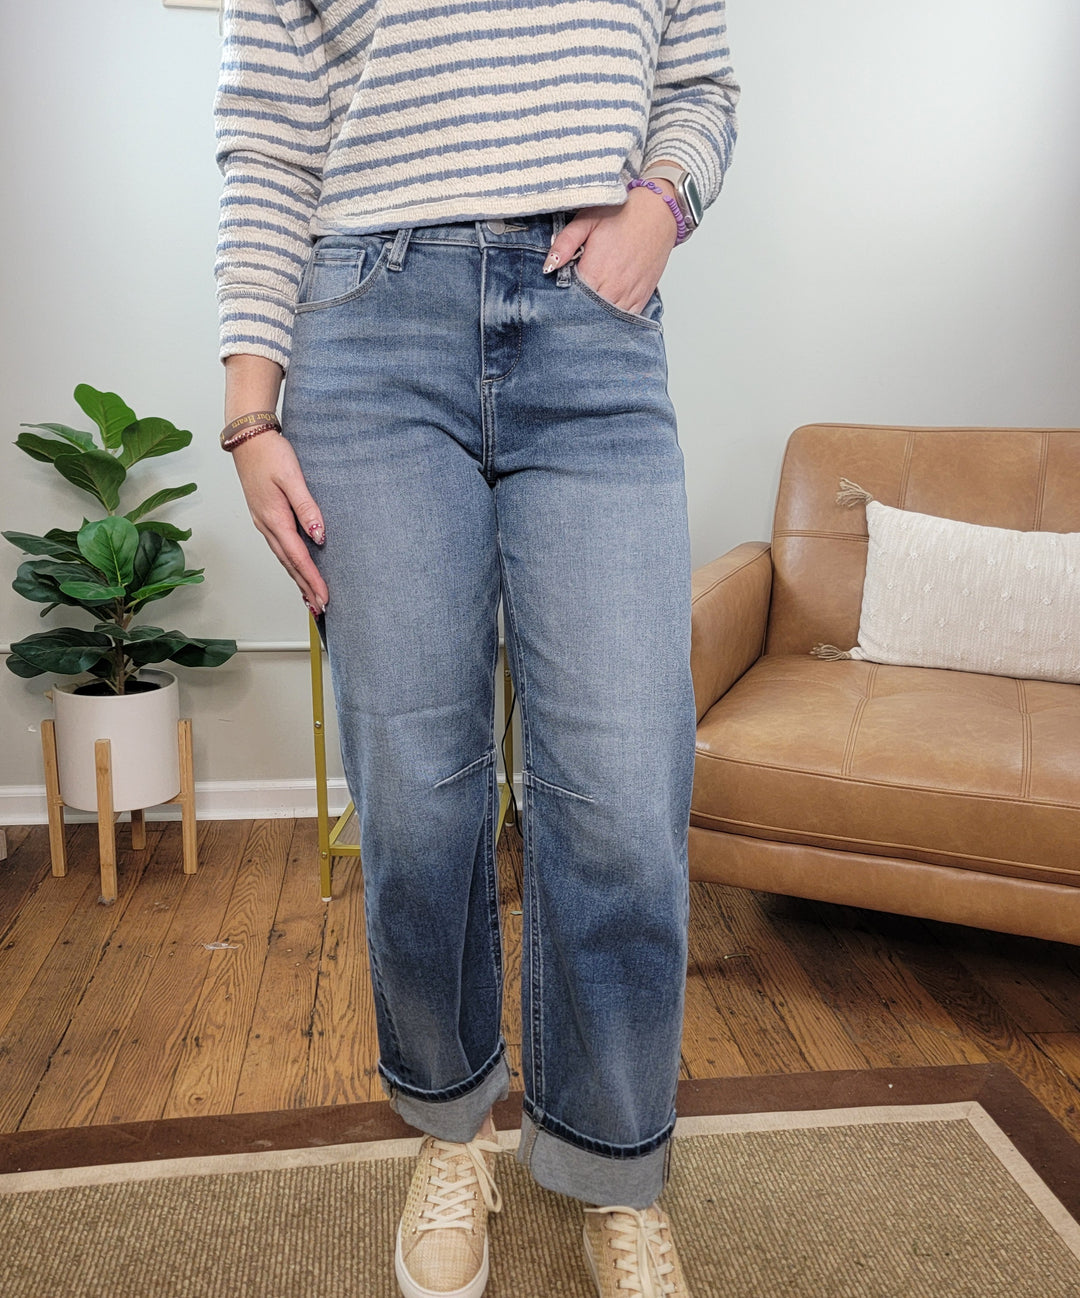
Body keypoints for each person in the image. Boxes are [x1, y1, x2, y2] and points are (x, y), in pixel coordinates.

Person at [214, 3, 738, 1294]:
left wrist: (660, 211)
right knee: (418, 796)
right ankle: (453, 1127)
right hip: (368, 328)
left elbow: (702, 81)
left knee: (622, 789)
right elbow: (270, 135)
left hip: (590, 336)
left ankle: (614, 1163)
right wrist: (247, 409)